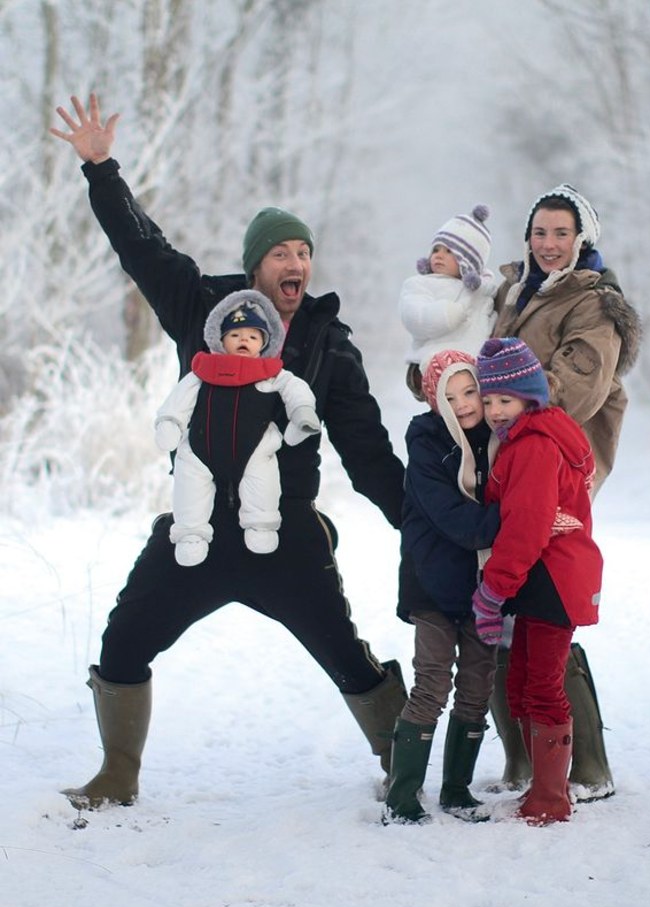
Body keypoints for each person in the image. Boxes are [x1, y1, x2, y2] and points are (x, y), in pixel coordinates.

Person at [50, 93, 408, 810]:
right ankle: (117, 774)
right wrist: (101, 169)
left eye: (304, 251)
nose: (296, 262)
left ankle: (402, 760)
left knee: (349, 658)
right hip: (198, 530)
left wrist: (420, 520)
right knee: (124, 641)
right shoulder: (202, 308)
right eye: (282, 252)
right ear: (255, 268)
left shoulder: (328, 345)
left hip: (287, 534)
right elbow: (142, 248)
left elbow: (366, 449)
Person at [487, 184, 642, 801]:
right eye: (540, 232)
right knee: (504, 613)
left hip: (558, 466)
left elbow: (576, 387)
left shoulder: (595, 303)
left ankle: (588, 768)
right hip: (511, 457)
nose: (548, 244)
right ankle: (525, 762)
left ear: (582, 241)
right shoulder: (515, 289)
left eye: (561, 234)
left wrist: (490, 393)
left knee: (547, 613)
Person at [472, 337, 604, 826]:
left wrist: (493, 590)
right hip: (545, 575)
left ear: (530, 397)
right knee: (524, 679)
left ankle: (552, 797)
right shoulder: (529, 439)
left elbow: (526, 526)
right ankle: (539, 784)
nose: (494, 412)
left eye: (504, 401)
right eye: (487, 402)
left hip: (551, 576)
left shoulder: (533, 447)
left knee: (544, 684)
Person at [383, 350, 501, 825]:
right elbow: (456, 520)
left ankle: (456, 789)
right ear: (435, 402)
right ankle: (403, 794)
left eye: (470, 391)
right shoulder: (428, 443)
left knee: (477, 685)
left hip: (481, 586)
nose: (464, 404)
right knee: (432, 683)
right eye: (450, 397)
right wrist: (514, 522)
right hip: (432, 583)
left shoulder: (499, 437)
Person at [154, 289, 320, 564]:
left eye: (253, 336)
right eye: (235, 335)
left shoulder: (271, 375)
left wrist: (302, 412)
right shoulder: (203, 371)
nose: (244, 340)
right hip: (200, 449)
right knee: (190, 484)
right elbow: (178, 400)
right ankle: (190, 535)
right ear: (219, 339)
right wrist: (170, 421)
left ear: (265, 344)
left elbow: (296, 389)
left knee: (262, 482)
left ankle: (261, 526)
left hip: (254, 449)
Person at [399, 204, 497, 401]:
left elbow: (492, 325)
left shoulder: (482, 292)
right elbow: (415, 316)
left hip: (474, 374)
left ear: (467, 262)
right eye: (436, 249)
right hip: (432, 366)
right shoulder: (421, 284)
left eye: (449, 251)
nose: (439, 255)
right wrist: (454, 311)